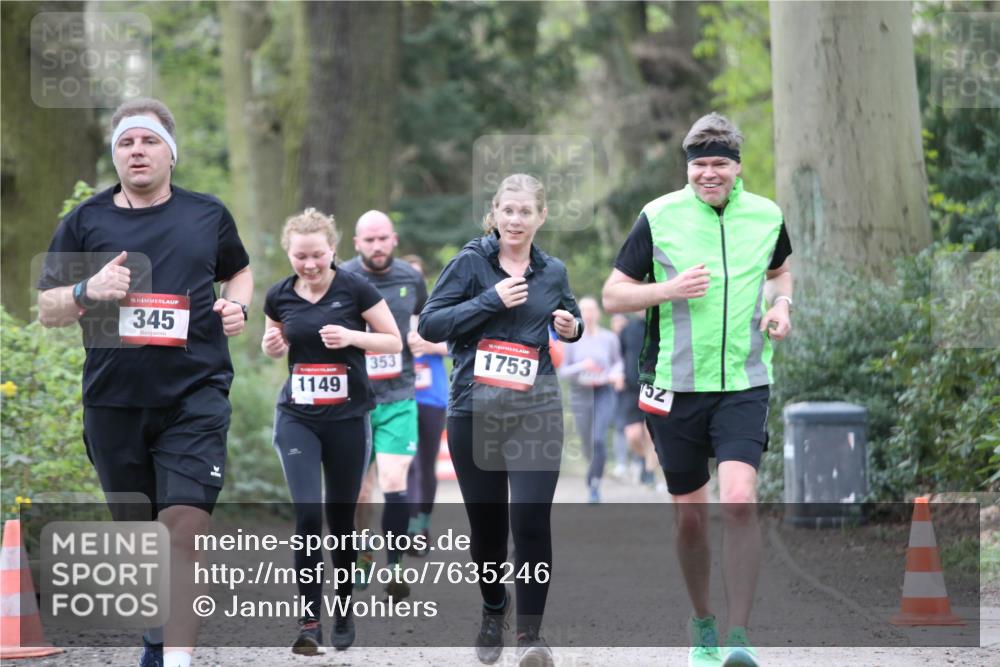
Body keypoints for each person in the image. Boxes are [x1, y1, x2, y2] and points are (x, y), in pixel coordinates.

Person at [37, 98, 253, 667]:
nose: (137, 150)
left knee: (183, 528)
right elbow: (48, 309)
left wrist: (238, 307)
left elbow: (241, 270)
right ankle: (157, 638)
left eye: (148, 141)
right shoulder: (85, 221)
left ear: (171, 153)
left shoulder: (207, 215)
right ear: (115, 155)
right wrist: (87, 291)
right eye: (127, 143)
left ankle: (175, 661)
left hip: (195, 394)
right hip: (114, 401)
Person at [602, 112, 793, 667]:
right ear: (687, 168)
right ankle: (704, 623)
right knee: (690, 515)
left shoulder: (766, 215)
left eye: (720, 164)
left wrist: (782, 305)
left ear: (737, 168)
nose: (710, 174)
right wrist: (669, 289)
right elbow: (614, 295)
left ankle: (739, 635)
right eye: (700, 165)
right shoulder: (658, 217)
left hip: (744, 382)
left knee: (738, 500)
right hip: (674, 386)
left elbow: (781, 271)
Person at [419, 173, 583, 667]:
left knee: (531, 519)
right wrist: (491, 299)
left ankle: (531, 636)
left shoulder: (552, 270)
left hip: (536, 410)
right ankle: (495, 607)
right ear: (494, 212)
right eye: (507, 210)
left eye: (524, 212)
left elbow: (571, 318)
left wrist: (571, 327)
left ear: (541, 217)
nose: (515, 219)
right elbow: (430, 324)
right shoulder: (470, 264)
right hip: (475, 409)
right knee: (488, 531)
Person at [262, 208, 401, 653]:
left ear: (333, 250)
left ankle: (342, 608)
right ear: (289, 252)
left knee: (340, 519)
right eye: (300, 256)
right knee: (306, 515)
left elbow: (393, 340)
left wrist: (352, 336)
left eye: (317, 255)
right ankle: (309, 623)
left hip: (347, 418)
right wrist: (271, 343)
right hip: (298, 417)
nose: (309, 264)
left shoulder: (354, 287)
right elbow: (276, 342)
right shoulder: (278, 295)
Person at [340, 212, 427, 597]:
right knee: (360, 492)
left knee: (393, 482)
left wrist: (424, 339)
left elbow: (424, 320)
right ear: (357, 243)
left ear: (394, 239)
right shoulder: (340, 276)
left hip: (399, 396)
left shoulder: (411, 277)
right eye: (368, 240)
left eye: (382, 239)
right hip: (354, 399)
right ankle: (363, 556)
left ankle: (395, 567)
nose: (376, 247)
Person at [399, 254, 449, 556]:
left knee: (425, 465)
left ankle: (421, 524)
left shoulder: (437, 309)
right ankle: (408, 528)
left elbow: (456, 344)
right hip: (399, 396)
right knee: (405, 463)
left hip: (431, 396)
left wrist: (428, 345)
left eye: (417, 274)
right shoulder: (387, 309)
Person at [558, 296, 622, 503]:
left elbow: (618, 362)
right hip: (580, 393)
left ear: (598, 313)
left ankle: (594, 483)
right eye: (583, 310)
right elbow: (563, 371)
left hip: (604, 392)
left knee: (598, 439)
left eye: (591, 310)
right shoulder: (571, 340)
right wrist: (582, 366)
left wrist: (615, 374)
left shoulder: (609, 338)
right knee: (587, 442)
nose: (588, 314)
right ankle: (593, 468)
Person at [616, 311, 661, 488]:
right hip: (631, 388)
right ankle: (643, 460)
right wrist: (618, 374)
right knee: (633, 435)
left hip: (655, 386)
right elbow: (619, 356)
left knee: (651, 434)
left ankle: (650, 471)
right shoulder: (627, 329)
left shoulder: (661, 325)